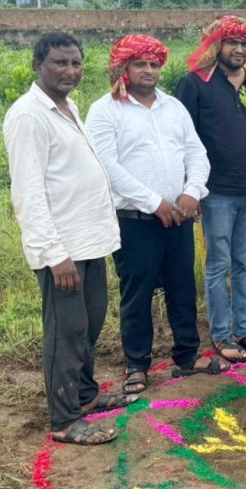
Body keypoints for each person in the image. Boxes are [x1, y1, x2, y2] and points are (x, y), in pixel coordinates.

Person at [3, 33, 131, 445]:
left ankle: (86, 394)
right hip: (63, 250)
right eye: (60, 63)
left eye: (76, 63)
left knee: (89, 324)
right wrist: (55, 255)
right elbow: (29, 192)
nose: (70, 71)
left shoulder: (69, 107)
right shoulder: (28, 116)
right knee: (66, 332)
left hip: (90, 240)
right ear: (37, 65)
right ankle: (64, 419)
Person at [86, 35, 230, 395]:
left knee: (182, 286)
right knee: (137, 294)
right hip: (135, 220)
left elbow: (197, 153)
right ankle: (137, 365)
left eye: (154, 64)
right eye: (140, 64)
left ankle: (187, 355)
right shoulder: (105, 110)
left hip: (179, 216)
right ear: (123, 69)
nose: (149, 70)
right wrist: (154, 202)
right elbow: (107, 166)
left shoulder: (173, 107)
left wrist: (190, 192)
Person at [175, 15, 246, 363]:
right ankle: (221, 335)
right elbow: (183, 141)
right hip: (214, 191)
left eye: (244, 43)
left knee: (244, 263)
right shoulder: (195, 84)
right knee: (218, 264)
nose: (238, 49)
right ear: (217, 45)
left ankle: (244, 331)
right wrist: (191, 188)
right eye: (231, 42)